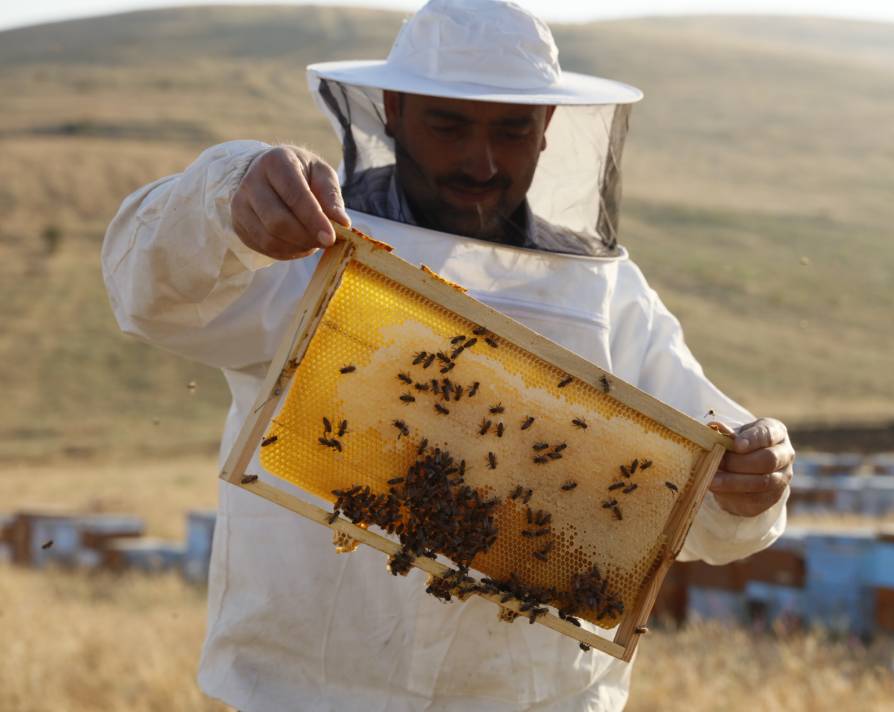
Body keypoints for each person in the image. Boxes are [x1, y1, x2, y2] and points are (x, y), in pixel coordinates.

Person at [102, 1, 794, 709]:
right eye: (450, 124)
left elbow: (708, 493)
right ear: (394, 110)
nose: (481, 161)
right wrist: (226, 195)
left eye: (512, 129)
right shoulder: (303, 240)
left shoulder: (605, 291)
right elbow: (146, 290)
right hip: (305, 693)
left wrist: (753, 483)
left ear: (549, 128)